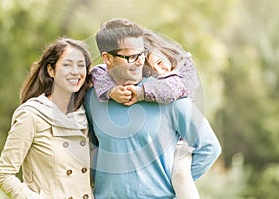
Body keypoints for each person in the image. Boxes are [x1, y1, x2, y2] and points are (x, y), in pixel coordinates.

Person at [84, 18, 221, 199]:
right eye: (131, 57)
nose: (140, 62)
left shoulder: (170, 97)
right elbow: (91, 148)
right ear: (107, 58)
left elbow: (209, 147)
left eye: (142, 54)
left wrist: (170, 187)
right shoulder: (93, 97)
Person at [0, 37, 94, 199]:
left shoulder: (86, 113)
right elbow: (3, 175)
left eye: (81, 65)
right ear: (51, 70)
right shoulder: (31, 114)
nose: (75, 71)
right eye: (67, 65)